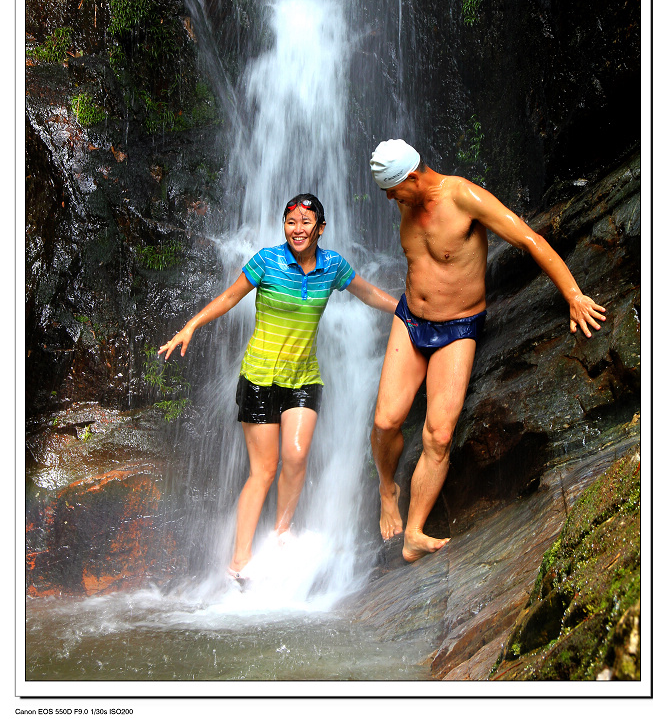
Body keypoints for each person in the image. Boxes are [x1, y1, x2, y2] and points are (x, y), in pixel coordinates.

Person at [368, 139, 606, 564]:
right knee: (386, 422)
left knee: (438, 434)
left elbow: (528, 239)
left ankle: (415, 532)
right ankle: (388, 488)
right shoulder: (407, 199)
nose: (389, 200)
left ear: (413, 177)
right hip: (410, 319)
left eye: (393, 190)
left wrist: (573, 294)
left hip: (458, 326)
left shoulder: (464, 198)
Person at [159, 193, 397, 584]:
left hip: (304, 378)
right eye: (291, 222)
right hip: (258, 379)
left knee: (297, 455)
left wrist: (404, 308)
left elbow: (367, 292)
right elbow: (230, 297)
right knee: (264, 471)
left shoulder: (332, 267)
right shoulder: (267, 261)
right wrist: (191, 325)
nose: (297, 229)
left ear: (321, 228)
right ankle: (238, 563)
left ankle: (282, 533)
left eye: (306, 223)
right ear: (283, 226)